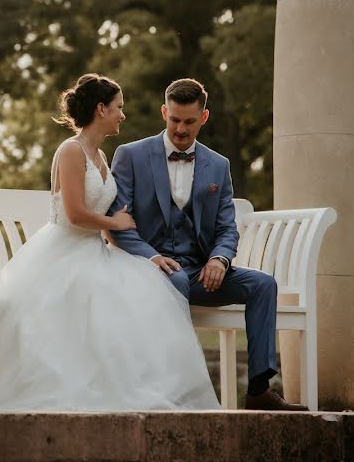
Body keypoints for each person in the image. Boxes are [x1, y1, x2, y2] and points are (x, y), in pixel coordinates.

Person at [0, 74, 220, 412]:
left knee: (146, 289)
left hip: (95, 251)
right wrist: (115, 222)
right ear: (101, 109)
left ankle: (130, 387)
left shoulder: (100, 156)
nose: (122, 115)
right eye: (118, 108)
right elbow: (74, 213)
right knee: (103, 299)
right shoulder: (71, 151)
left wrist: (144, 247)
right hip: (63, 252)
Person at [108, 77, 307, 411]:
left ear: (204, 117)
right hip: (148, 271)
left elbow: (227, 229)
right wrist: (152, 257)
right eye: (174, 120)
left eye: (188, 121)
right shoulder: (130, 156)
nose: (181, 129)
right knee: (175, 280)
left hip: (200, 271)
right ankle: (173, 389)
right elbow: (119, 225)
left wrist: (219, 260)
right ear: (164, 113)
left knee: (262, 284)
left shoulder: (219, 164)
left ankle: (259, 390)